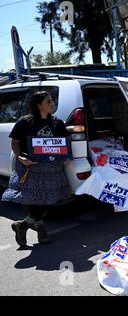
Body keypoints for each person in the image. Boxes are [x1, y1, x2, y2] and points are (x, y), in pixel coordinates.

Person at [2, 91, 71, 247]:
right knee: (35, 199)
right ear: (38, 105)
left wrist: (66, 156)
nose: (52, 103)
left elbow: (64, 143)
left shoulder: (57, 122)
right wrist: (20, 157)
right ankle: (41, 230)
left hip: (53, 169)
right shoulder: (25, 122)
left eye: (52, 100)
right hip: (31, 167)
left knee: (52, 199)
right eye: (48, 101)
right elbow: (15, 142)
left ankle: (23, 225)